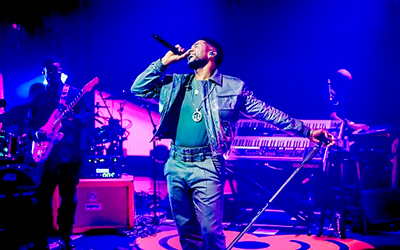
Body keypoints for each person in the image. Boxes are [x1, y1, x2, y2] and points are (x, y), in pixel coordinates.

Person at [131, 38, 334, 249]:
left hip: (207, 164)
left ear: (212, 54)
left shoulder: (233, 87)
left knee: (210, 231)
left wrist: (307, 131)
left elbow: (267, 113)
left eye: (196, 46)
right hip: (176, 164)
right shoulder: (176, 84)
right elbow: (138, 88)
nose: (190, 49)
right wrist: (164, 62)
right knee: (187, 231)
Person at [28, 56, 90, 250]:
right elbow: (29, 124)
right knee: (41, 200)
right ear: (44, 73)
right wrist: (35, 134)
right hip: (45, 157)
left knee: (69, 199)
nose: (55, 74)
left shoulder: (73, 93)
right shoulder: (38, 97)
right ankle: (40, 241)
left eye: (58, 71)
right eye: (51, 71)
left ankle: (65, 238)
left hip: (69, 155)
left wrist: (75, 116)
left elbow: (88, 116)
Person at [327, 69, 369, 134]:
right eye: (346, 83)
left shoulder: (338, 94)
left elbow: (340, 117)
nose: (348, 86)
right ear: (339, 80)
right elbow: (333, 117)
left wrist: (351, 123)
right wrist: (352, 126)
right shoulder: (328, 94)